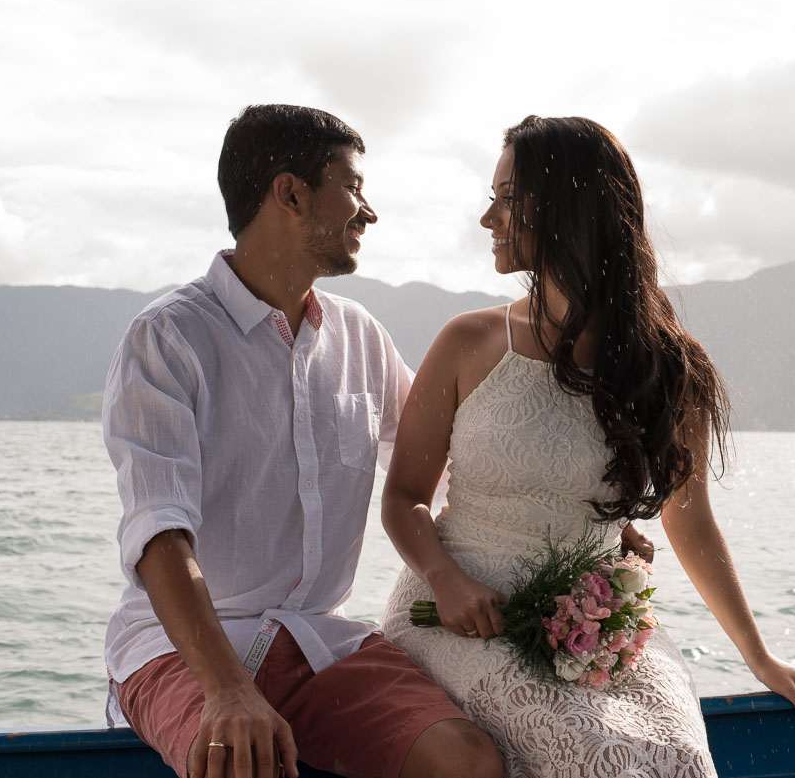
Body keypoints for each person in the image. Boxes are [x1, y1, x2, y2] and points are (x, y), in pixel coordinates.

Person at [379, 115, 795, 777]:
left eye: (508, 199)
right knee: (594, 755)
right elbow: (403, 497)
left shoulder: (666, 366)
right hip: (461, 616)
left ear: (568, 210)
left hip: (596, 622)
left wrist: (759, 657)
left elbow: (690, 521)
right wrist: (447, 580)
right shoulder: (468, 342)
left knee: (679, 758)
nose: (488, 219)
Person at [102, 104, 504, 778]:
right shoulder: (168, 338)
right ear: (289, 194)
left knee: (468, 761)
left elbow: (450, 469)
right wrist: (228, 689)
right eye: (352, 187)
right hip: (181, 650)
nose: (368, 212)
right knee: (239, 758)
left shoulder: (361, 335)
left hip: (320, 640)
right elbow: (158, 534)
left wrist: (583, 522)